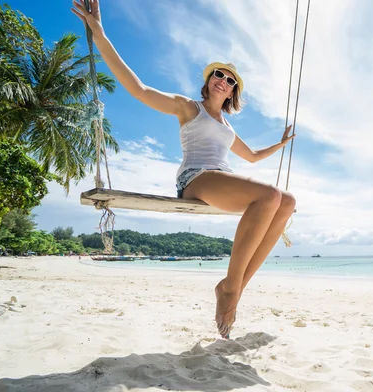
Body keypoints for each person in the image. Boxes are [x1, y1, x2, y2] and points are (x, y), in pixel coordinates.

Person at [72, 0, 297, 339]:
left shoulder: (227, 126)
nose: (223, 79)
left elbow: (250, 156)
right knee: (271, 196)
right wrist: (100, 34)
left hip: (220, 182)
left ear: (234, 90)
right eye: (218, 74)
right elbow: (139, 89)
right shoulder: (189, 108)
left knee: (287, 201)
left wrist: (279, 146)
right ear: (208, 81)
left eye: (230, 79)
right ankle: (230, 290)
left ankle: (232, 288)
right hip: (196, 180)